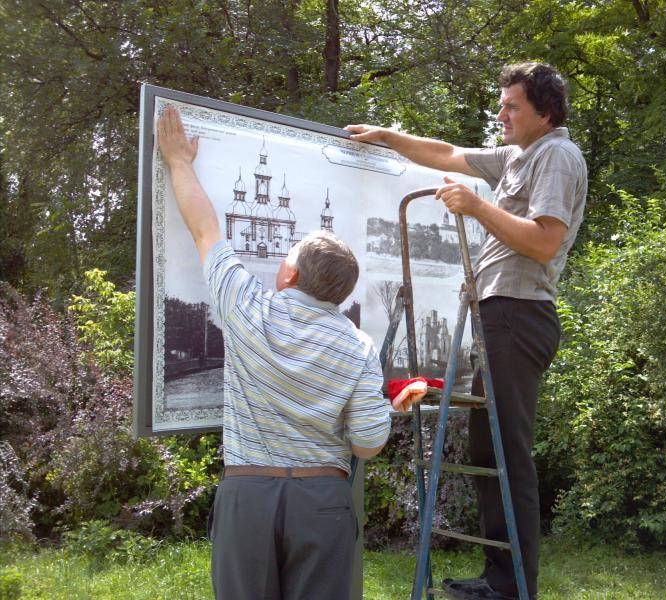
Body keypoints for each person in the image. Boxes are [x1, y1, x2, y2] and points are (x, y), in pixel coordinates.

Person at [347, 62, 587, 600]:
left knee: (506, 453)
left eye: (512, 107)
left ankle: (513, 585)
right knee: (488, 449)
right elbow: (448, 154)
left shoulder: (556, 156)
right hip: (498, 315)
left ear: (545, 113)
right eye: (501, 105)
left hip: (518, 314)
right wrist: (387, 136)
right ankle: (500, 577)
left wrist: (476, 206)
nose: (501, 115)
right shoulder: (517, 155)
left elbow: (545, 241)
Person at [157, 106, 390, 600]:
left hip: (250, 498)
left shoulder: (247, 307)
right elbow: (368, 444)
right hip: (324, 502)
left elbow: (205, 231)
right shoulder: (359, 345)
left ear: (290, 274)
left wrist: (178, 162)